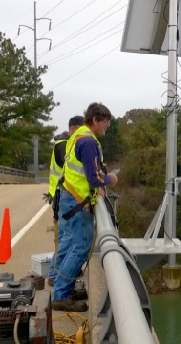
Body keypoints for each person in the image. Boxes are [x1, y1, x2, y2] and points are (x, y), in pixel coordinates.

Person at [52, 102, 118, 312]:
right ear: (95, 121)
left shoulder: (77, 136)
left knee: (72, 244)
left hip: (69, 198)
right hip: (77, 201)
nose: (107, 127)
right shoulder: (89, 142)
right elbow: (94, 178)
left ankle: (65, 287)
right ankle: (61, 294)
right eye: (105, 122)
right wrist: (110, 179)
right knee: (80, 247)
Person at [43, 116, 84, 286]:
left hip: (61, 196)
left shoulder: (63, 144)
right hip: (63, 196)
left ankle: (57, 273)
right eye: (81, 131)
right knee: (67, 238)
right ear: (73, 129)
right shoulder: (64, 146)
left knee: (64, 238)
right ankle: (55, 275)